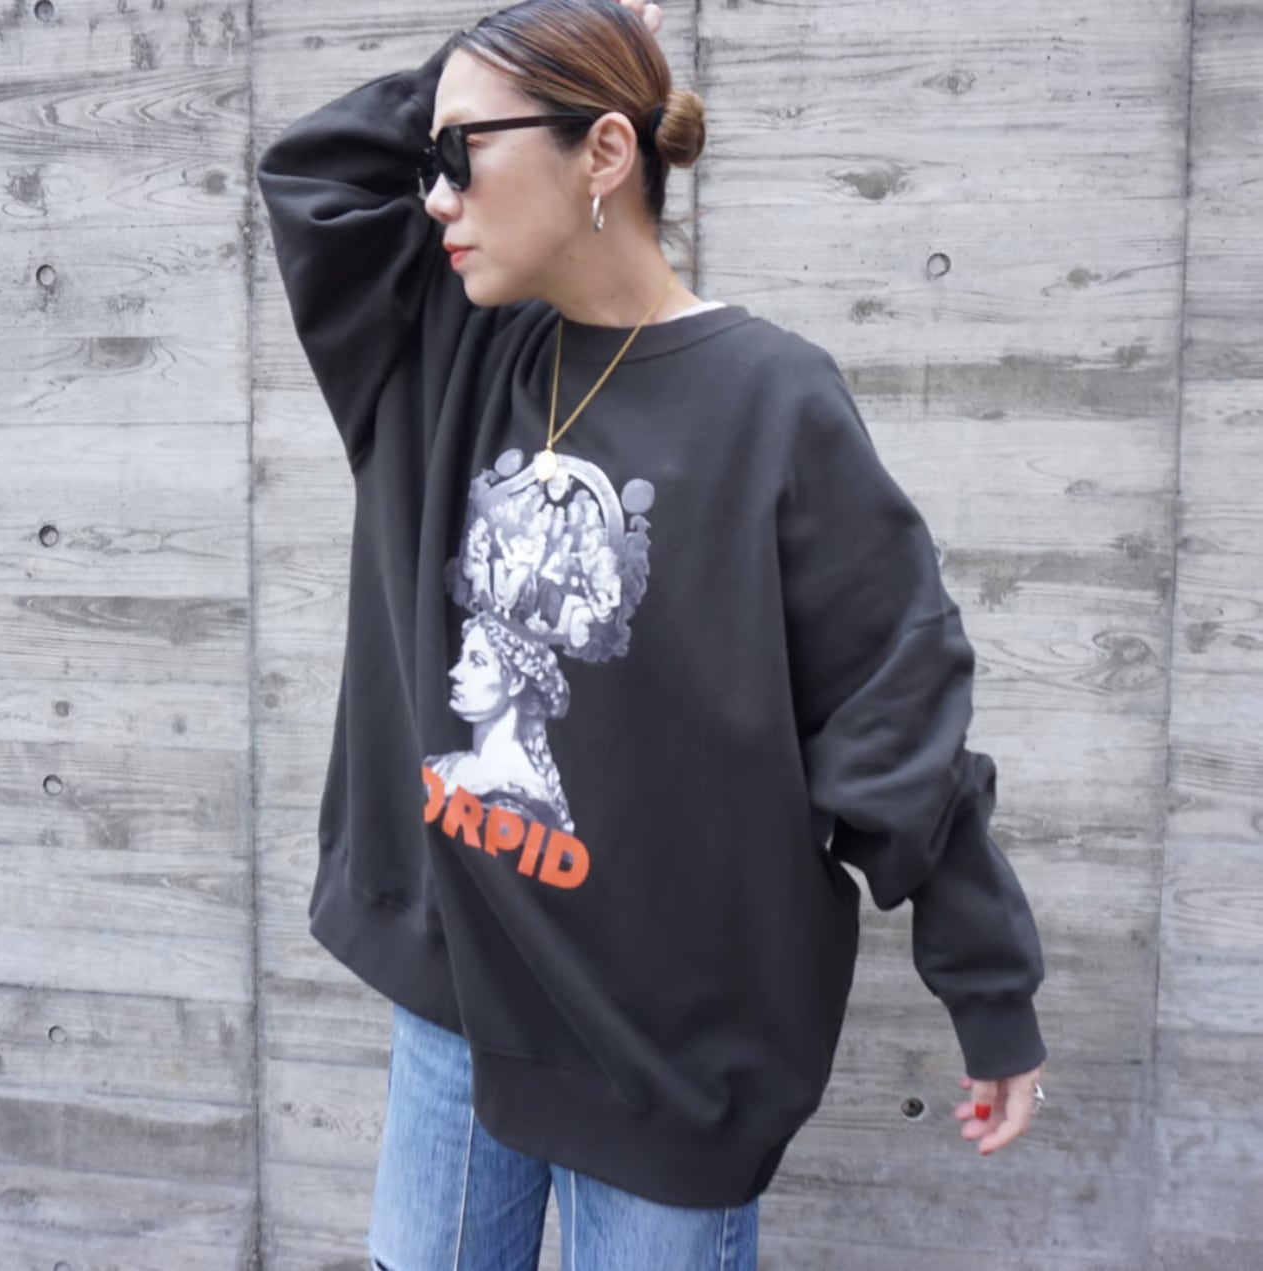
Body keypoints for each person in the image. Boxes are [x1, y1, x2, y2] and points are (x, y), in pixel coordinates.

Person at [255, 0, 1048, 1267]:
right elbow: (315, 178)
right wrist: (519, 44)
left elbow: (889, 708)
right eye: (431, 156)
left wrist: (990, 990)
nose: (435, 191)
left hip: (666, 1051)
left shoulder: (770, 400)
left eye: (463, 153)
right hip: (459, 1002)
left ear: (606, 154)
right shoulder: (434, 350)